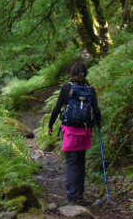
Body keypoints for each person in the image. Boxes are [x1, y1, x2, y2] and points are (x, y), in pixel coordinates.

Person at [48, 62, 101, 206]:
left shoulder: (67, 87)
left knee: (71, 163)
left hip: (70, 129)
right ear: (86, 73)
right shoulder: (90, 89)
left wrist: (50, 125)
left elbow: (57, 108)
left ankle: (71, 198)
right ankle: (79, 194)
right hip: (85, 130)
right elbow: (96, 110)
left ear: (72, 73)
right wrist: (99, 122)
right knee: (81, 161)